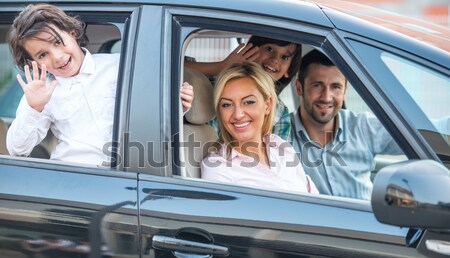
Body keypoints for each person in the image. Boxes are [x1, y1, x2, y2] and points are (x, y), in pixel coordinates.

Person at [6, 4, 194, 166]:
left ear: (73, 33)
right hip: (75, 181)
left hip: (129, 175)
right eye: (42, 55)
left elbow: (149, 118)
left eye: (58, 42)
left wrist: (177, 107)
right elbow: (17, 149)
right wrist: (34, 107)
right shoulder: (42, 92)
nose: (57, 57)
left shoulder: (121, 65)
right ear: (34, 64)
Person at [289, 49, 403, 200]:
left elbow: (427, 135)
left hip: (364, 223)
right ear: (299, 88)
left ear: (345, 90)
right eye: (317, 85)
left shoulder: (363, 127)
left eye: (335, 87)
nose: (326, 97)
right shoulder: (280, 134)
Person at [201, 62, 318, 194]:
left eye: (249, 102)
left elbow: (315, 199)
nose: (238, 114)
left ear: (267, 105)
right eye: (227, 105)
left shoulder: (281, 147)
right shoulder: (218, 167)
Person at [186, 36, 302, 140]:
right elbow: (170, 67)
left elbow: (279, 159)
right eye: (269, 49)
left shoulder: (280, 112)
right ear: (250, 51)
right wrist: (220, 67)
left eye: (284, 57)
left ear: (268, 105)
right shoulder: (212, 85)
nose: (275, 59)